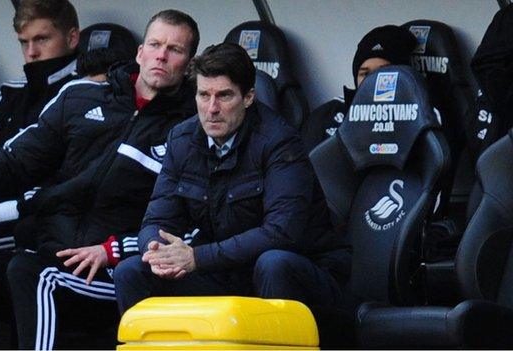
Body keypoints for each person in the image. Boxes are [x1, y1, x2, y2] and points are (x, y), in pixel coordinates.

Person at [0, 9, 199, 349]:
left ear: (189, 63)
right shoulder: (80, 96)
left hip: (114, 269)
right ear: (140, 52)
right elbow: (18, 161)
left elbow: (188, 222)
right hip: (54, 253)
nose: (161, 55)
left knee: (32, 274)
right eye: (155, 44)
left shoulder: (192, 128)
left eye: (174, 49)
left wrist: (112, 250)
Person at [113, 42, 350, 314]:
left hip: (302, 273)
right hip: (223, 272)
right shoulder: (182, 139)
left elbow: (282, 233)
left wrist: (197, 257)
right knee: (132, 271)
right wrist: (158, 252)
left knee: (273, 263)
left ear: (248, 97)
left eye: (224, 96)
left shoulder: (280, 141)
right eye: (204, 95)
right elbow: (158, 218)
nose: (212, 108)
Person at [0, 0, 80, 230]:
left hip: (54, 221)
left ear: (72, 38)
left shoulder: (85, 91)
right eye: (24, 43)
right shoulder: (10, 92)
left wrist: (5, 210)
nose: (32, 52)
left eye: (41, 39)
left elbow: (75, 175)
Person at [303, 25, 417, 152]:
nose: (372, 81)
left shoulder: (417, 115)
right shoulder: (326, 115)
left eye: (383, 72)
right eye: (365, 74)